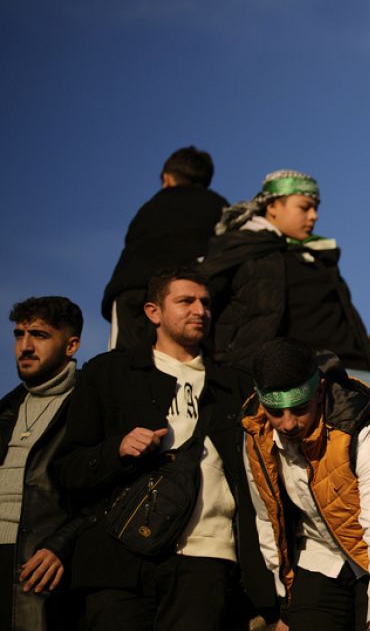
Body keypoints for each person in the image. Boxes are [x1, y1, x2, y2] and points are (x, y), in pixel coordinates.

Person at [202, 168, 370, 518]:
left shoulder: (321, 255)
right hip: (299, 381)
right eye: (305, 207)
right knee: (317, 474)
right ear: (273, 206)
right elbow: (203, 304)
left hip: (357, 373)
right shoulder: (242, 251)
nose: (314, 216)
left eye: (316, 207)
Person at [52, 267, 273, 630]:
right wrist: (116, 450)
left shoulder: (237, 386)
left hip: (207, 558)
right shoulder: (110, 373)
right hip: (119, 561)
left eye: (205, 302)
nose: (199, 310)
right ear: (153, 312)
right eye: (185, 301)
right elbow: (67, 470)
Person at [242, 338, 370, 631]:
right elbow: (267, 517)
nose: (288, 424)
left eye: (299, 409)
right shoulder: (255, 434)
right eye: (276, 412)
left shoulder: (361, 429)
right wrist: (284, 603)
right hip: (317, 556)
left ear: (320, 390)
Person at [1, 297, 87, 631]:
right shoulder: (5, 410)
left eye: (38, 335)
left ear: (71, 345)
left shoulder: (88, 403)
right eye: (19, 334)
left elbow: (106, 493)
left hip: (40, 565)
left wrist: (61, 545)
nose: (24, 346)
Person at [102, 146, 227, 350]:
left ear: (167, 178)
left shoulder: (149, 208)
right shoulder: (218, 206)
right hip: (186, 296)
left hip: (133, 290)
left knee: (122, 365)